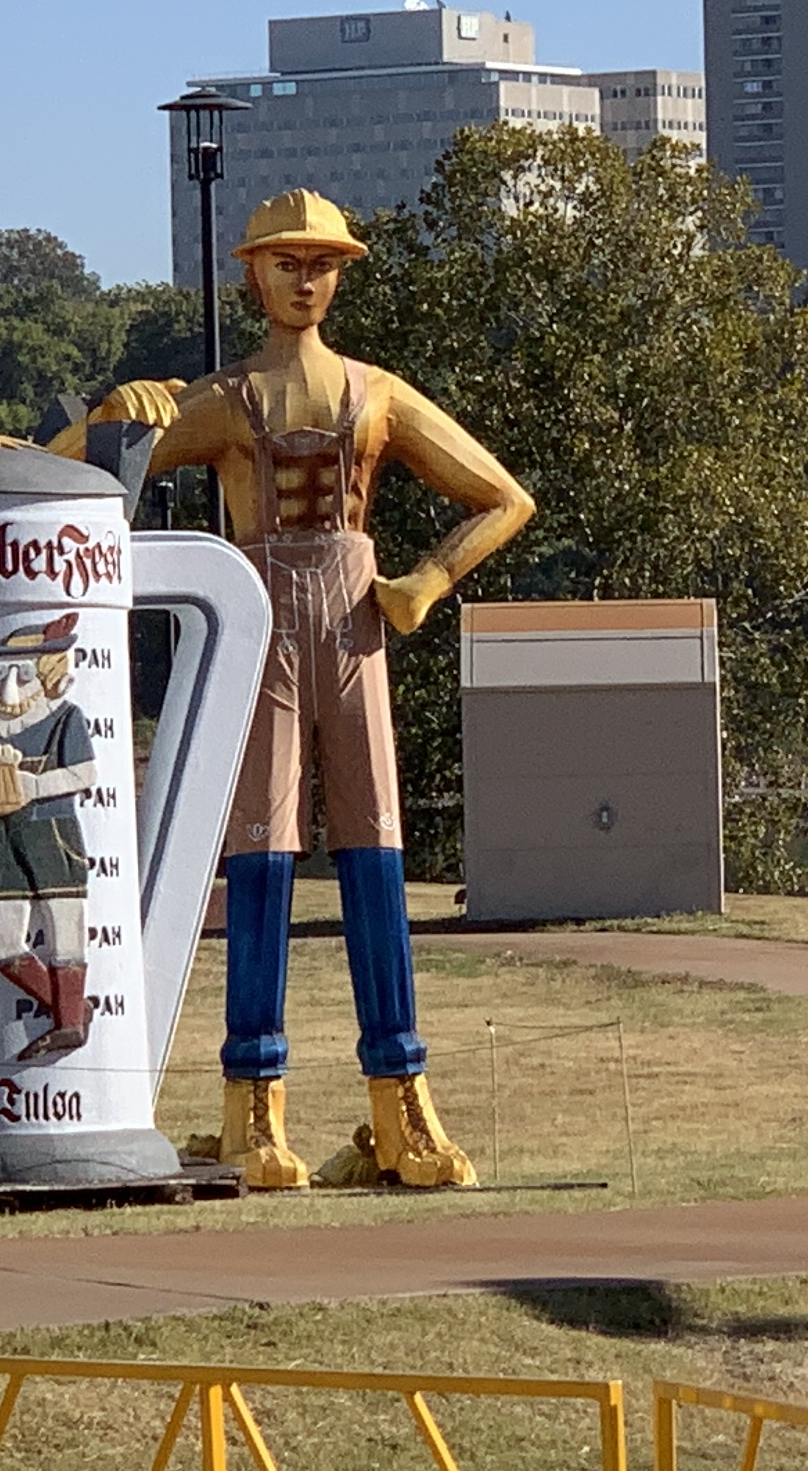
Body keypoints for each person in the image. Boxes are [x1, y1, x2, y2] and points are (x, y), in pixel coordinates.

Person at [64, 191, 532, 1188]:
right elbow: (68, 477)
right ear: (255, 274)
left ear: (341, 274)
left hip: (356, 624)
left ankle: (402, 1106)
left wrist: (425, 582)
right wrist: (113, 420)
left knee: (375, 857)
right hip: (260, 620)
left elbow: (504, 497)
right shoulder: (228, 401)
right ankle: (252, 1110)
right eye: (287, 263)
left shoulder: (380, 395)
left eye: (322, 263)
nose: (306, 279)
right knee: (262, 859)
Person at [0, 614, 102, 1065]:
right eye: (1, 672)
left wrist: (33, 785)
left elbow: (87, 772)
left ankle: (68, 1023)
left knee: (66, 929)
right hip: (3, 832)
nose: (9, 687)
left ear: (46, 674)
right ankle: (69, 1011)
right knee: (4, 944)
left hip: (53, 829)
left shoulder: (66, 718)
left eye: (22, 673)